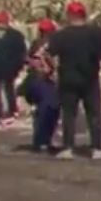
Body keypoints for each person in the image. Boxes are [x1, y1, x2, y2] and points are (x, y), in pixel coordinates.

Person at [46, 0, 101, 160]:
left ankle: (68, 148)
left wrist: (53, 69)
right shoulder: (96, 34)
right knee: (94, 114)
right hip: (90, 79)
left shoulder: (61, 35)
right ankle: (96, 148)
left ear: (69, 15)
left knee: (69, 114)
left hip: (68, 79)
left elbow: (48, 54)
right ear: (84, 15)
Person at [21, 18, 61, 154]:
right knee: (49, 111)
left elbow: (28, 60)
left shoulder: (36, 44)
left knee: (42, 112)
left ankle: (40, 141)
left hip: (37, 82)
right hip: (45, 82)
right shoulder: (50, 45)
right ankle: (43, 141)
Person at [0, 10, 28, 122]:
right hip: (12, 66)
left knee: (2, 88)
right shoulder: (17, 35)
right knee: (8, 88)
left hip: (3, 66)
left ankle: (1, 111)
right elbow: (23, 51)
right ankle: (11, 109)